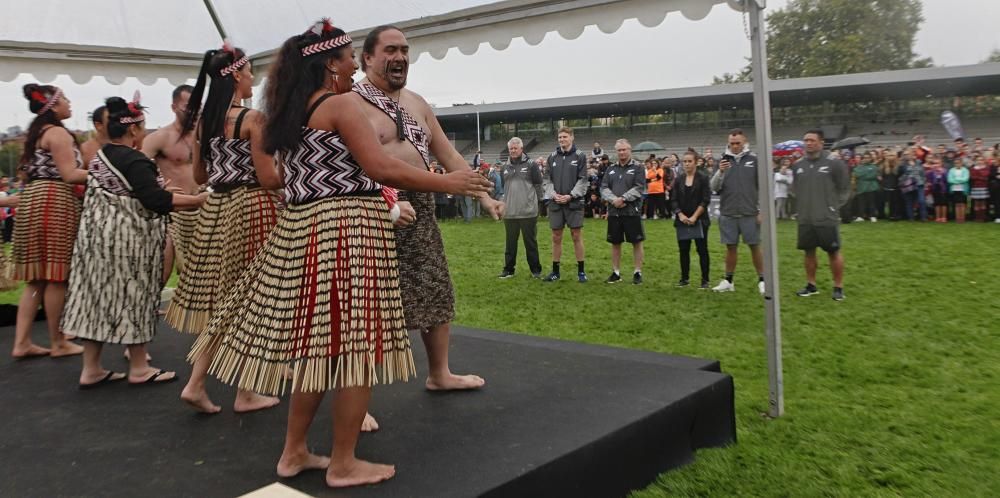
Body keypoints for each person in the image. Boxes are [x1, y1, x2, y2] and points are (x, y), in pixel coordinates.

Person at [191, 20, 491, 488]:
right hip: (347, 231)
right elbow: (381, 166)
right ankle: (344, 462)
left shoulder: (289, 109)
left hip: (303, 230)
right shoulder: (341, 105)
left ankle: (294, 453)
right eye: (350, 56)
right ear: (331, 63)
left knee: (319, 352)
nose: (355, 64)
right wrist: (448, 181)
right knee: (357, 347)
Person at [164, 43, 284, 414]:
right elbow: (267, 178)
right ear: (235, 75)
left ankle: (216, 383)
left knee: (229, 300)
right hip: (252, 209)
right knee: (250, 299)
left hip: (217, 210)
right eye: (249, 72)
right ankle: (239, 391)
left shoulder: (205, 122)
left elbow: (200, 175)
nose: (253, 78)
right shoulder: (252, 120)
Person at [62, 94, 207, 388]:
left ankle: (91, 368)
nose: (145, 133)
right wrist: (196, 200)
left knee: (97, 301)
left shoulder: (102, 156)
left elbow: (129, 191)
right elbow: (154, 200)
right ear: (132, 130)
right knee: (134, 298)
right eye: (142, 127)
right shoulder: (134, 158)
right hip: (126, 244)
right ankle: (139, 367)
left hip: (96, 241)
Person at [10, 84, 86, 359]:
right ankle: (58, 341)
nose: (69, 103)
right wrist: (108, 173)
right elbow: (69, 174)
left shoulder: (35, 134)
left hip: (33, 198)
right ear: (53, 105)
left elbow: (24, 175)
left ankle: (22, 342)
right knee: (56, 276)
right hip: (54, 199)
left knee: (36, 280)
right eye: (64, 99)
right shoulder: (57, 133)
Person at [142, 84, 199, 282]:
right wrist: (159, 189)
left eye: (197, 106)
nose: (193, 111)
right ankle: (149, 309)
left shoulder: (204, 136)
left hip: (202, 208)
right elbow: (139, 170)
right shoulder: (159, 137)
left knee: (202, 273)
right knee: (163, 270)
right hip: (173, 210)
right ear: (174, 107)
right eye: (188, 106)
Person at [792, 129, 849, 301]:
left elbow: (844, 188)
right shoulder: (798, 165)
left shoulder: (834, 163)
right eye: (806, 140)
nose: (808, 143)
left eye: (812, 140)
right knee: (808, 252)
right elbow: (796, 189)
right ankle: (811, 285)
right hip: (805, 217)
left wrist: (833, 207)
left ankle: (838, 287)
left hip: (826, 217)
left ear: (821, 142)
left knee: (833, 251)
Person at [709, 128, 765, 295]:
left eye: (737, 143)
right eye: (731, 143)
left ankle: (763, 279)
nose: (734, 146)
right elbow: (713, 187)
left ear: (744, 142)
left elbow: (763, 186)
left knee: (755, 246)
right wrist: (720, 172)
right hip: (728, 212)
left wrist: (762, 210)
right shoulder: (722, 161)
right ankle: (729, 280)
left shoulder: (754, 160)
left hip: (750, 212)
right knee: (730, 248)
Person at [542, 126, 589, 282]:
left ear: (572, 137)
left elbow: (583, 180)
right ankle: (555, 271)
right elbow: (546, 180)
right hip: (556, 202)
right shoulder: (552, 157)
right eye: (560, 137)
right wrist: (553, 194)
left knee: (576, 235)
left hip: (573, 203)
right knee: (556, 237)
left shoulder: (580, 156)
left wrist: (570, 195)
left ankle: (581, 271)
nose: (562, 139)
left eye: (565, 137)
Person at [600, 139, 645, 285]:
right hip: (614, 212)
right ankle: (616, 272)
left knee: (636, 242)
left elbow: (639, 187)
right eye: (619, 150)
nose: (622, 152)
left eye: (624, 149)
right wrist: (614, 200)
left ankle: (637, 272)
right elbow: (604, 187)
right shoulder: (611, 168)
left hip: (631, 211)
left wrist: (623, 199)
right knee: (615, 242)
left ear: (629, 150)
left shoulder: (638, 167)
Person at [498, 137, 543, 279]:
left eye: (515, 148)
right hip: (510, 212)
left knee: (531, 243)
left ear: (521, 149)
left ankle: (536, 270)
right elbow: (503, 188)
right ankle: (508, 270)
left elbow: (538, 186)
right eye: (510, 148)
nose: (512, 150)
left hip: (528, 212)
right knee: (510, 244)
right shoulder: (504, 167)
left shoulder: (531, 165)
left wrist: (537, 203)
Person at [671, 150, 712, 288]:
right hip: (682, 220)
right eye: (685, 161)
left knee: (702, 249)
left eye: (690, 161)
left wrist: (694, 216)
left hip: (700, 219)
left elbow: (706, 200)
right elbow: (674, 200)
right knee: (684, 250)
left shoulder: (703, 178)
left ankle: (705, 279)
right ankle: (684, 278)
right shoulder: (678, 179)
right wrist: (680, 215)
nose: (687, 164)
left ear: (696, 162)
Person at [898, 149, 927, 222]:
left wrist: (923, 181)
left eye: (908, 154)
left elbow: (922, 173)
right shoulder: (902, 165)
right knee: (909, 201)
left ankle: (923, 217)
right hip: (908, 185)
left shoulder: (919, 162)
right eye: (905, 155)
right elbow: (900, 175)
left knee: (921, 201)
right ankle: (911, 218)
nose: (907, 156)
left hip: (919, 184)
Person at [852, 152, 880, 222]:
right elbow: (857, 174)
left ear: (870, 158)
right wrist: (867, 174)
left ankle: (872, 216)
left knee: (871, 202)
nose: (866, 159)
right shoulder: (858, 167)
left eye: (868, 158)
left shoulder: (874, 167)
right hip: (861, 187)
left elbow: (873, 175)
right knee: (861, 203)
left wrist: (863, 175)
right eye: (865, 158)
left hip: (871, 187)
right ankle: (861, 216)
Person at [926, 154, 949, 223]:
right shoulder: (931, 171)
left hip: (943, 189)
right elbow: (928, 178)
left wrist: (941, 172)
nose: (936, 164)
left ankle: (944, 217)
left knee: (943, 203)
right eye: (935, 163)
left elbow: (947, 179)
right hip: (935, 188)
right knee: (937, 203)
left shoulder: (945, 171)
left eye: (938, 163)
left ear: (941, 163)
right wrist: (932, 170)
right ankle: (938, 217)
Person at [969, 155, 991, 222]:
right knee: (976, 203)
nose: (980, 161)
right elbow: (972, 177)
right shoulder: (973, 168)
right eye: (978, 160)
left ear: (983, 161)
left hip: (984, 187)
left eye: (981, 160)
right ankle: (977, 218)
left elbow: (986, 175)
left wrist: (978, 175)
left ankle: (982, 217)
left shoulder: (986, 168)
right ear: (976, 161)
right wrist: (981, 177)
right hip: (976, 187)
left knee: (983, 203)